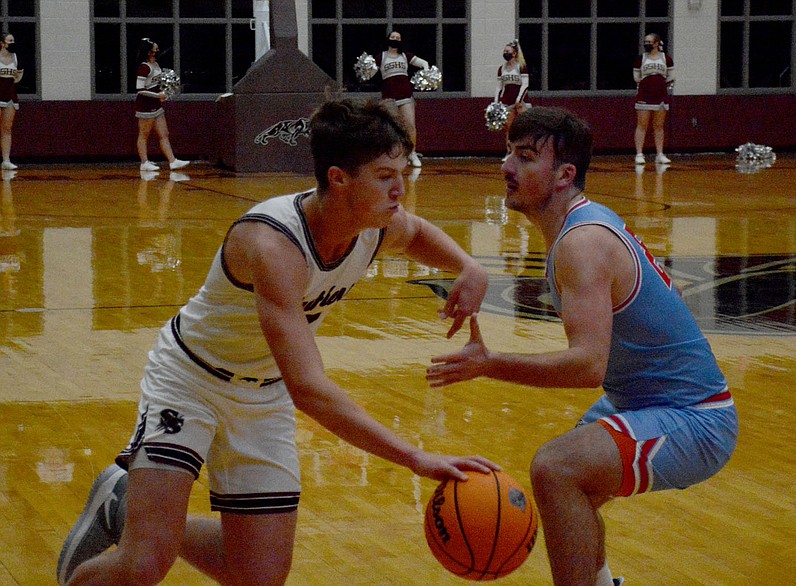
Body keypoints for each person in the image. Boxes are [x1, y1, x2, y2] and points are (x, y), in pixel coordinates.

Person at [57, 98, 498, 586]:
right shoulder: (273, 245)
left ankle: (127, 510)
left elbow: (415, 234)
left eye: (403, 172)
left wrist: (469, 266)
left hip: (262, 394)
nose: (401, 189)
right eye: (385, 175)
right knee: (144, 564)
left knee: (257, 576)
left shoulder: (376, 226)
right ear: (338, 178)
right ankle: (140, 532)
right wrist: (414, 457)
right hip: (191, 381)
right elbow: (309, 388)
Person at [426, 106, 738, 586]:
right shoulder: (586, 226)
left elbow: (588, 366)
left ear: (564, 175)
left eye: (526, 157)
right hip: (646, 400)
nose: (507, 167)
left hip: (697, 418)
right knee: (570, 481)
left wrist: (488, 364)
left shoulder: (581, 243)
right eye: (509, 152)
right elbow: (667, 293)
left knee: (557, 470)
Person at [366, 30, 429, 168]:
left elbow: (423, 63)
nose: (395, 39)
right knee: (390, 129)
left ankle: (412, 153)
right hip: (388, 98)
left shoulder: (406, 56)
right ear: (388, 39)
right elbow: (370, 74)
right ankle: (392, 155)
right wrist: (365, 71)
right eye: (393, 37)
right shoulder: (380, 57)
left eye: (398, 38)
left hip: (405, 96)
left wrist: (426, 71)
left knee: (410, 126)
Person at [135, 38, 189, 173]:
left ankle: (172, 161)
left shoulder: (156, 65)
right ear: (149, 52)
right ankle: (144, 162)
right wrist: (158, 95)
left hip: (156, 105)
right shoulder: (144, 67)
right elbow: (139, 90)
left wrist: (164, 93)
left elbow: (156, 85)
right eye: (155, 49)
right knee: (144, 134)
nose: (157, 51)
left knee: (164, 133)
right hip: (145, 106)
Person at [633, 33, 674, 165]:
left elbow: (671, 76)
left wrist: (659, 83)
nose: (647, 44)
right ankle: (639, 154)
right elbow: (636, 77)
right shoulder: (641, 59)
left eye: (649, 41)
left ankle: (660, 154)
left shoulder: (666, 58)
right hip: (645, 95)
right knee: (642, 124)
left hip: (661, 95)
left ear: (656, 43)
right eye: (646, 41)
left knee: (659, 126)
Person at [493, 39, 531, 159]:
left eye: (508, 51)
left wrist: (519, 99)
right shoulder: (501, 68)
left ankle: (528, 152)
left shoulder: (521, 67)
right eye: (504, 51)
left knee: (527, 126)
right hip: (507, 100)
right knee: (509, 128)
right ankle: (510, 153)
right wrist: (496, 103)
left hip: (521, 101)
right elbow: (499, 87)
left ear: (514, 53)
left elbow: (525, 84)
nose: (505, 53)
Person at [0, 32, 23, 170]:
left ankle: (6, 161)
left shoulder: (15, 58)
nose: (13, 43)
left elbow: (18, 78)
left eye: (13, 40)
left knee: (7, 128)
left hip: (10, 95)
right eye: (10, 41)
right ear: (2, 43)